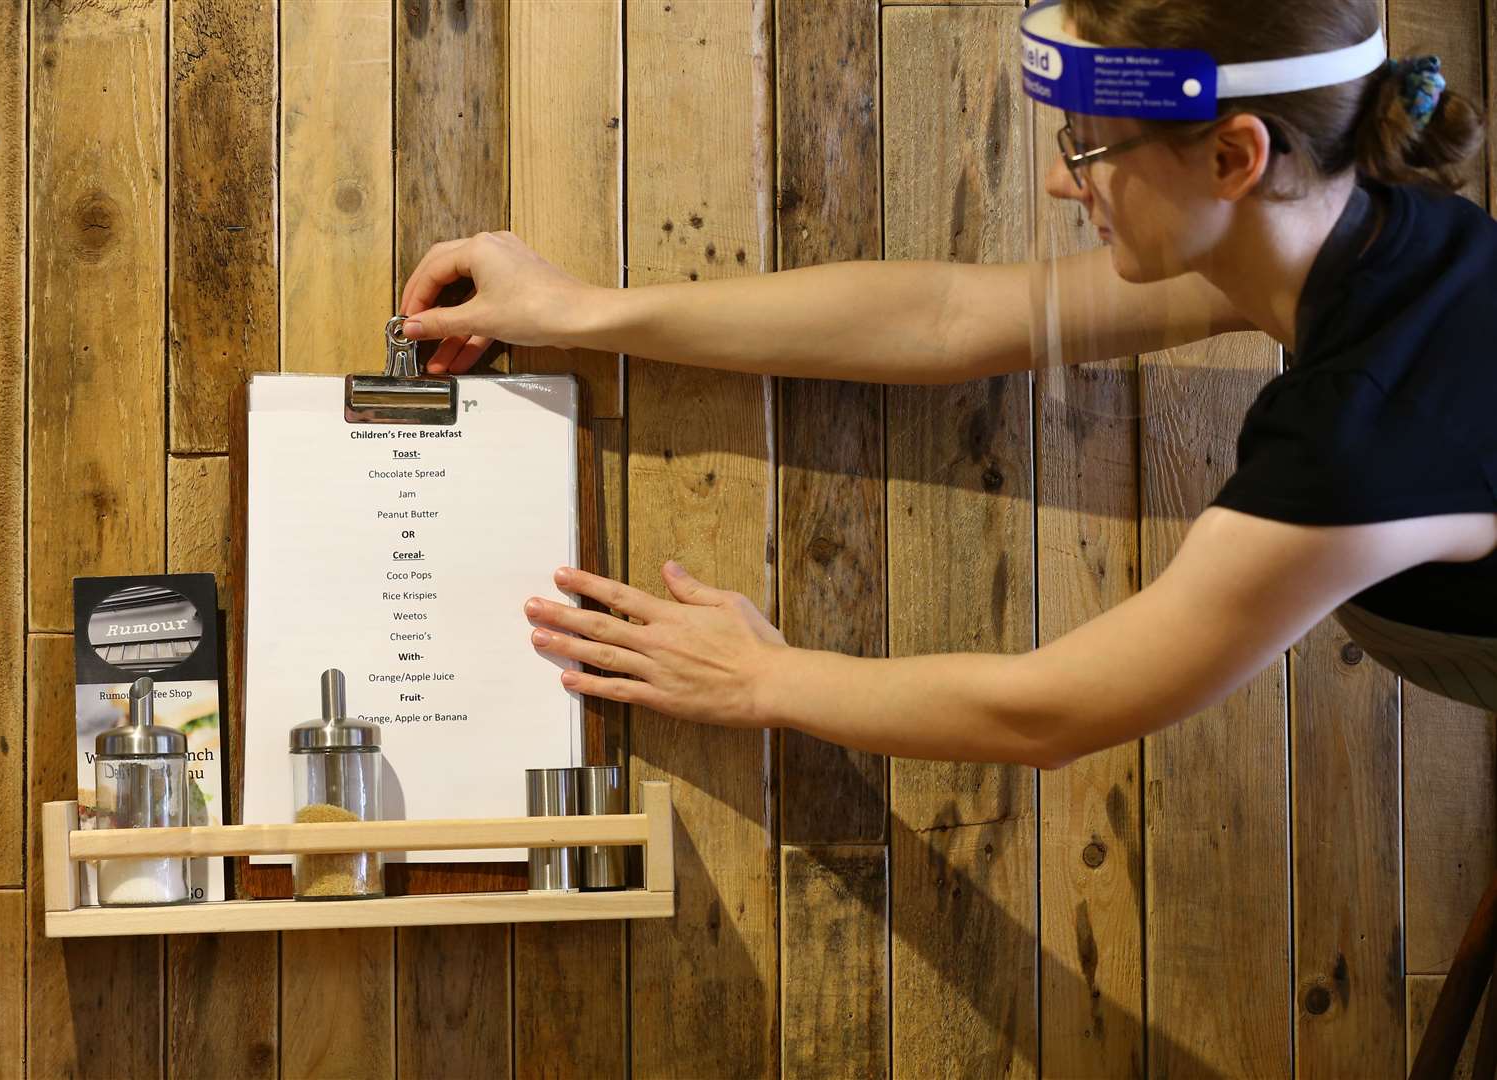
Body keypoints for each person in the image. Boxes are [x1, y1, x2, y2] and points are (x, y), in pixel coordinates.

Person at [396, 0, 1495, 769]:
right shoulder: (1352, 227)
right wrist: (581, 309)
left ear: (1234, 158)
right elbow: (954, 318)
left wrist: (765, 680)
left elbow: (1049, 713)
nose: (1066, 181)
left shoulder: (1363, 442)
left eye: (1095, 146)